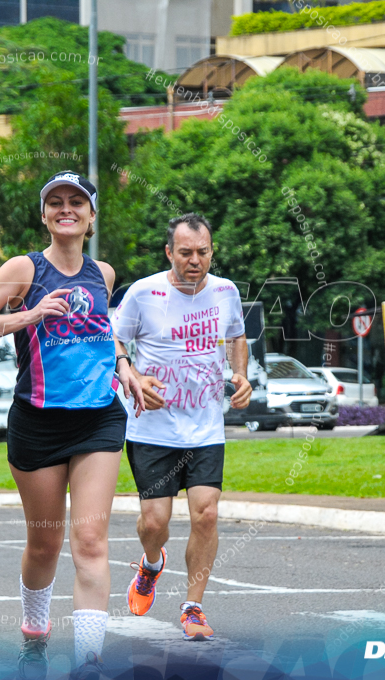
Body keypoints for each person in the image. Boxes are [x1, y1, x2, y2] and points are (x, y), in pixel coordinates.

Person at [0, 171, 145, 679]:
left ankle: (88, 662)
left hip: (99, 420)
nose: (67, 209)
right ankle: (34, 634)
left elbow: (104, 336)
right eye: (56, 202)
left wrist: (122, 366)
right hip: (37, 422)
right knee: (45, 543)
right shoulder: (24, 268)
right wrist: (28, 314)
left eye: (76, 202)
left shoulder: (102, 274)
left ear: (91, 214)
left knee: (91, 542)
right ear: (44, 215)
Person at [110, 213, 252, 641]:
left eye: (203, 252)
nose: (195, 261)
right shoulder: (142, 292)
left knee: (206, 514)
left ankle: (193, 607)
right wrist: (130, 375)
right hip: (153, 426)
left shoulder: (226, 291)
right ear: (169, 252)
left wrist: (240, 375)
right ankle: (151, 564)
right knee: (155, 523)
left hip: (206, 427)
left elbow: (237, 336)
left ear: (212, 251)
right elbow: (114, 340)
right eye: (186, 253)